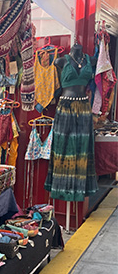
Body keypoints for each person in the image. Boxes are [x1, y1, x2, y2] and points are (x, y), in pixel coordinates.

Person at [44, 42, 98, 201]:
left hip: (83, 108)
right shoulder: (61, 61)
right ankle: (62, 190)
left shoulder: (91, 61)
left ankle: (79, 190)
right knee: (62, 149)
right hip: (65, 107)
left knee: (82, 150)